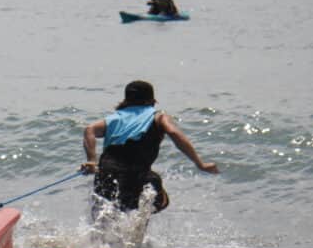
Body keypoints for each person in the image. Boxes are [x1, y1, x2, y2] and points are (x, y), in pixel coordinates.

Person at [81, 81, 219, 213]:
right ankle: (135, 236)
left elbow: (89, 130)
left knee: (104, 214)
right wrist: (200, 164)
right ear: (152, 99)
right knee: (157, 201)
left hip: (107, 169)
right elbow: (173, 132)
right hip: (136, 172)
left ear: (126, 99)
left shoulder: (115, 118)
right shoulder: (158, 116)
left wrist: (92, 160)